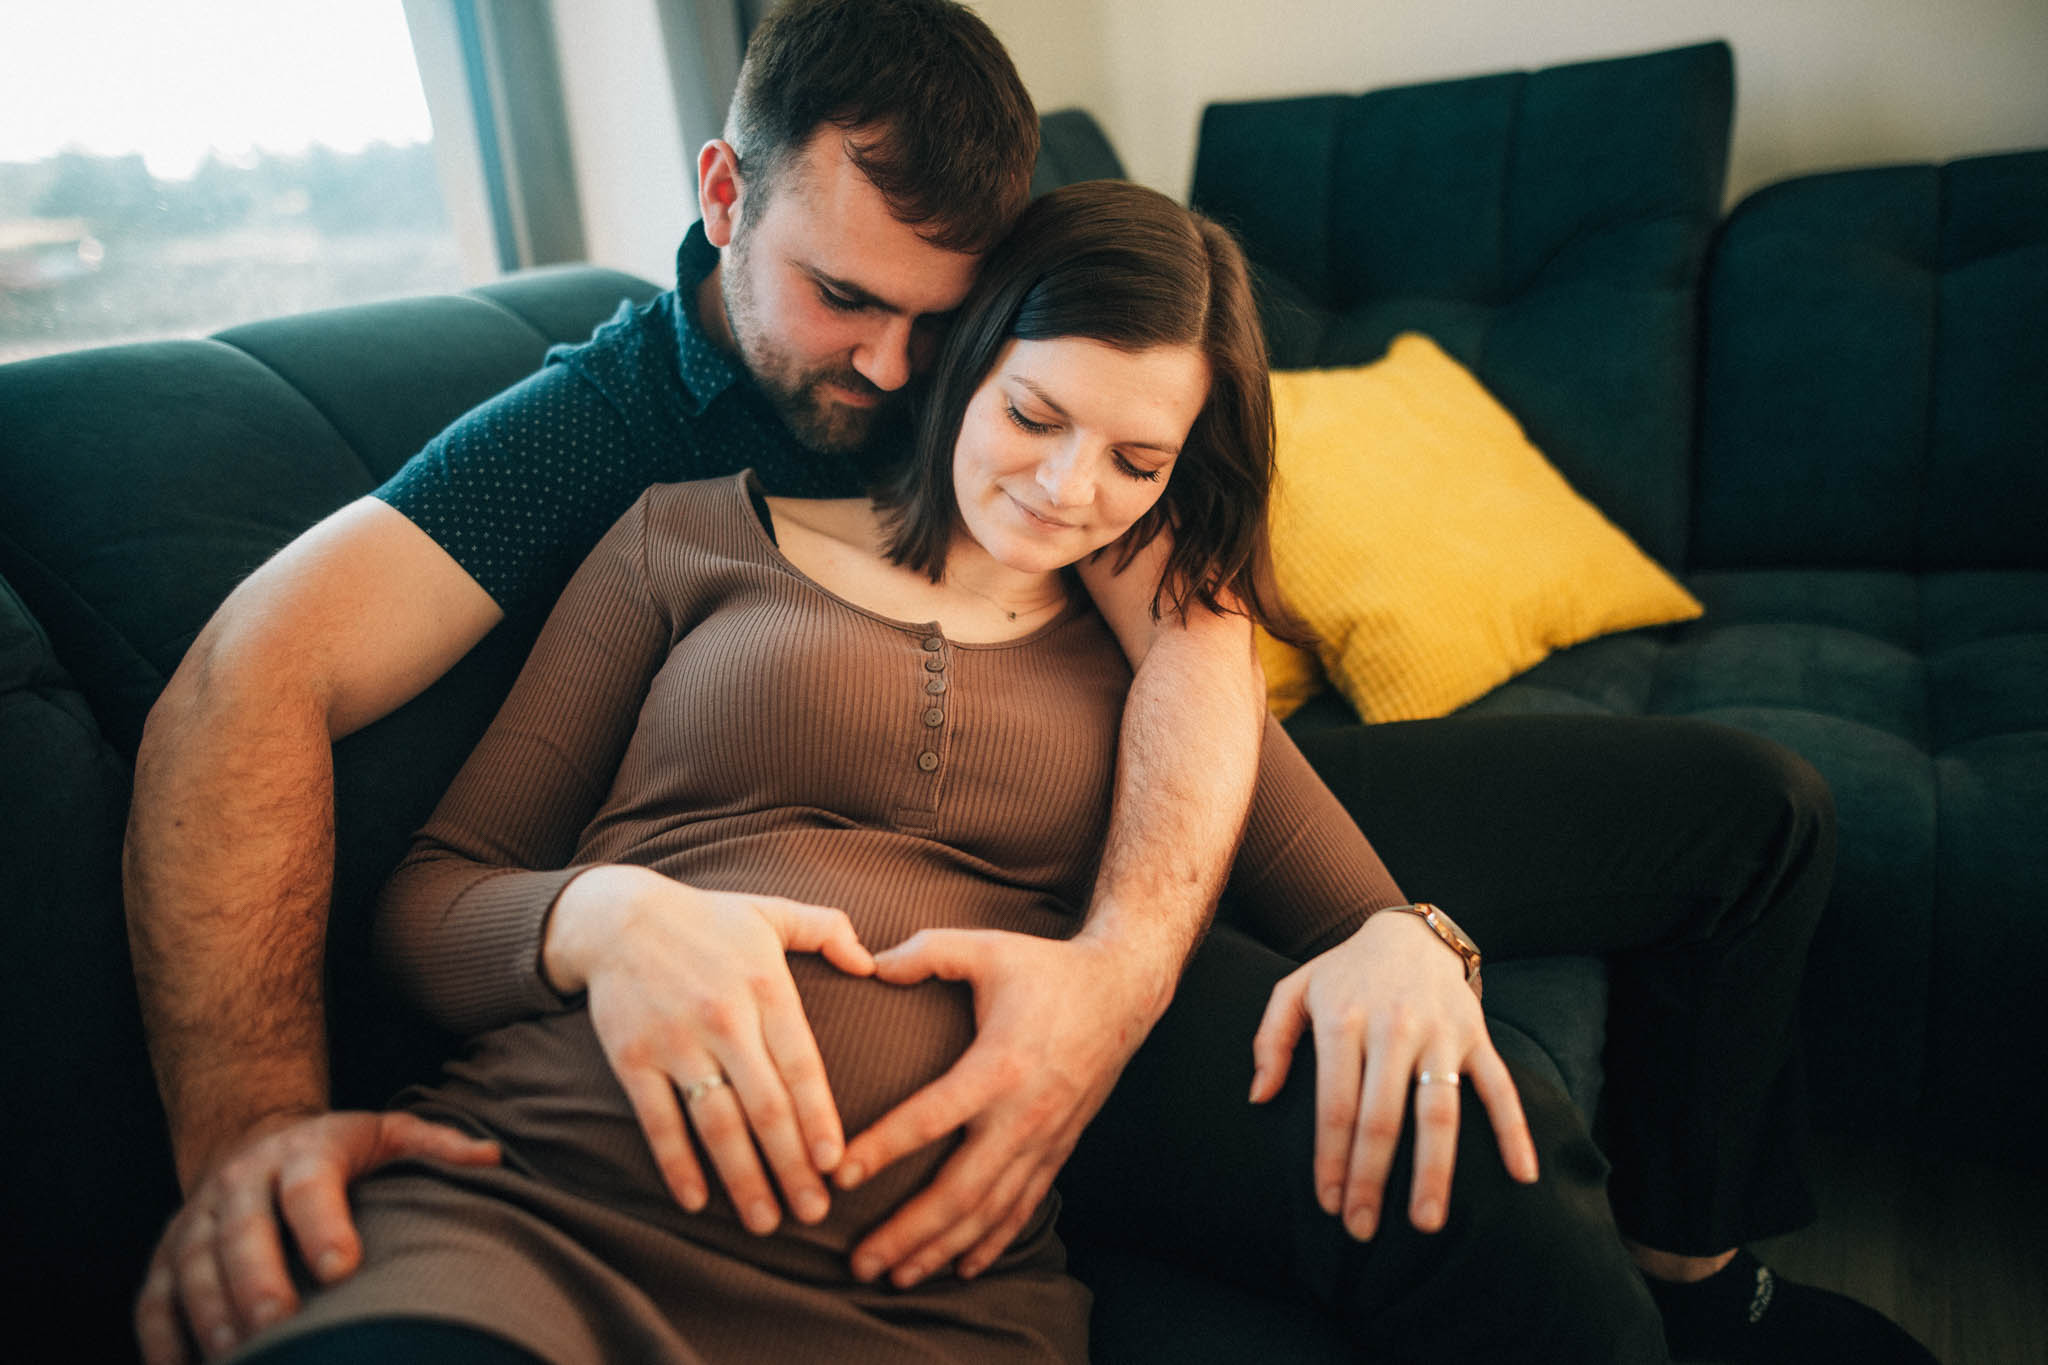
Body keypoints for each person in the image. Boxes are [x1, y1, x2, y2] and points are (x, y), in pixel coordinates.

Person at [127, 3, 1936, 1364]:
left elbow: (1197, 624)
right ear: (721, 198)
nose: (901, 366)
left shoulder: (999, 353)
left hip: (1141, 788)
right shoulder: (615, 446)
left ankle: (1707, 1292)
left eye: (948, 324)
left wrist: (1274, 949)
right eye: (846, 299)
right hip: (860, 929)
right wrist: (254, 1152)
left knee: (1740, 826)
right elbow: (250, 677)